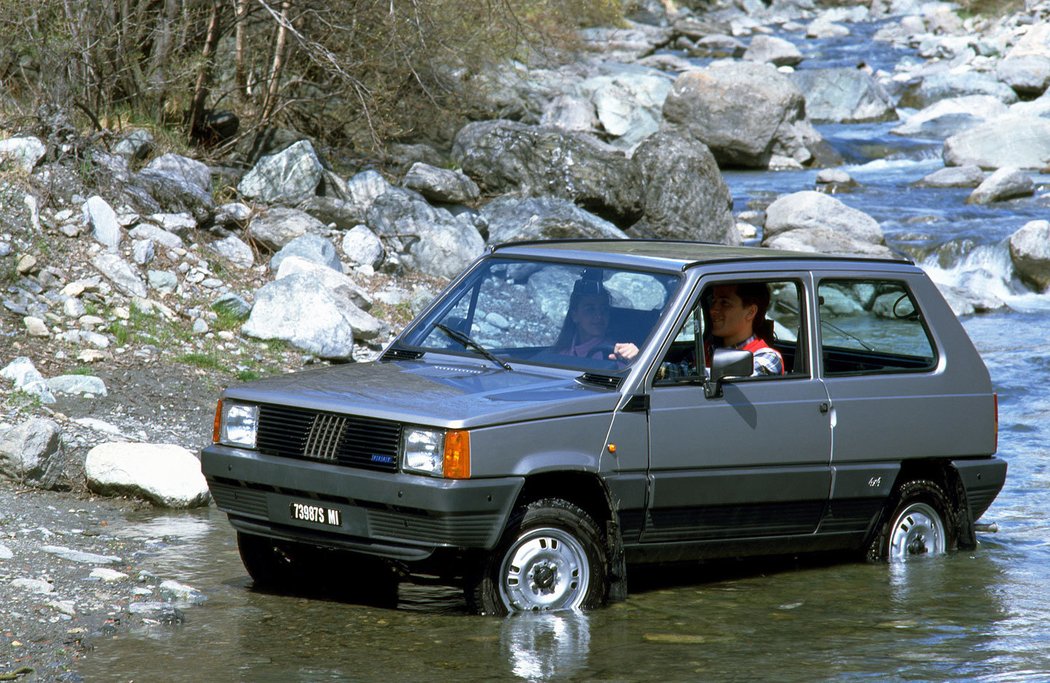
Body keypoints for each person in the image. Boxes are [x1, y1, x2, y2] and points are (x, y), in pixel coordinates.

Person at [704, 282, 784, 376]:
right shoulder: (707, 349)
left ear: (751, 312)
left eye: (724, 303)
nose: (713, 310)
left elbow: (739, 382)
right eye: (713, 301)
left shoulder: (767, 357)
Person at [552, 279, 640, 363]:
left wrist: (636, 357)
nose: (599, 316)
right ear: (574, 315)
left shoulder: (616, 353)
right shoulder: (560, 352)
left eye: (604, 310)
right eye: (590, 309)